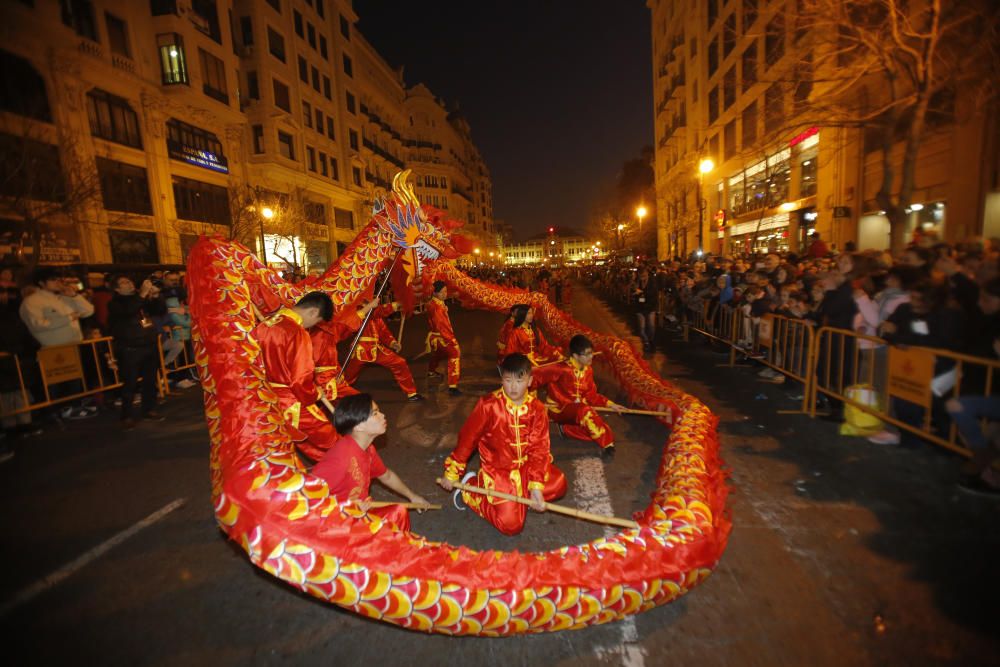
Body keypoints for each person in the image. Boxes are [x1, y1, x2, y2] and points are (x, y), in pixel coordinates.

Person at [438, 353, 567, 536]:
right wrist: (452, 473)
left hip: (527, 468)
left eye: (519, 381)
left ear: (530, 381)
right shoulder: (488, 405)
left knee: (559, 484)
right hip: (500, 473)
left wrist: (535, 487)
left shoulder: (537, 408)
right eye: (508, 380)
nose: (513, 387)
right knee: (511, 526)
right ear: (502, 379)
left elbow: (540, 448)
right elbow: (467, 440)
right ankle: (471, 490)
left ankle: (518, 500)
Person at [312, 393, 429, 530]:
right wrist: (346, 507)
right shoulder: (340, 459)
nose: (383, 415)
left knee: (398, 513)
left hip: (359, 514)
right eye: (375, 414)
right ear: (358, 427)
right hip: (337, 525)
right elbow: (306, 498)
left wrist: (412, 497)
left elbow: (386, 476)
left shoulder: (367, 448)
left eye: (378, 411)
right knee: (395, 517)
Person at [253, 291, 339, 460]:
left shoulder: (264, 325)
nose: (311, 326)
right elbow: (300, 379)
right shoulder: (297, 332)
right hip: (293, 402)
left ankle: (326, 478)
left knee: (305, 447)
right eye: (316, 321)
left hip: (266, 399)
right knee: (333, 442)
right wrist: (314, 393)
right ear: (314, 312)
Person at [531, 334, 624, 456]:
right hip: (559, 409)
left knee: (597, 428)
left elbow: (591, 395)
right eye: (587, 354)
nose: (591, 356)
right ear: (575, 356)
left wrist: (611, 405)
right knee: (586, 412)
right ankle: (607, 444)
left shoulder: (588, 370)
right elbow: (534, 377)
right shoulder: (562, 369)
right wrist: (531, 400)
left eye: (592, 352)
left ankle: (566, 430)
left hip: (578, 412)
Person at [107, 275, 166, 429]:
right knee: (130, 383)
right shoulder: (115, 303)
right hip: (130, 349)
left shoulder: (141, 299)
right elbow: (128, 311)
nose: (130, 284)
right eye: (124, 282)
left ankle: (149, 409)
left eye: (130, 280)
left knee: (149, 381)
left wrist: (155, 295)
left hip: (148, 345)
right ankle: (126, 415)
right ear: (117, 289)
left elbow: (159, 310)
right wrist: (142, 295)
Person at [342, 301, 424, 401]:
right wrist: (394, 305)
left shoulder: (375, 312)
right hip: (361, 349)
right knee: (348, 376)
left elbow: (383, 331)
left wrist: (392, 343)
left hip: (377, 348)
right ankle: (336, 393)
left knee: (399, 362)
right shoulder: (359, 310)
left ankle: (411, 392)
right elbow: (375, 313)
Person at [311, 298, 376, 404]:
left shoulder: (321, 330)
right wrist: (368, 307)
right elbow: (345, 326)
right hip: (325, 380)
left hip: (330, 376)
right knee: (362, 403)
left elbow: (344, 327)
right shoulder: (322, 331)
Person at [425, 281, 461, 394]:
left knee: (438, 354)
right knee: (454, 354)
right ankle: (452, 386)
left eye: (446, 291)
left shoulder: (435, 303)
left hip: (436, 337)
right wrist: (453, 341)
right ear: (435, 293)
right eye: (443, 292)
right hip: (441, 337)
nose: (446, 294)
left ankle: (431, 371)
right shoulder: (437, 307)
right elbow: (443, 327)